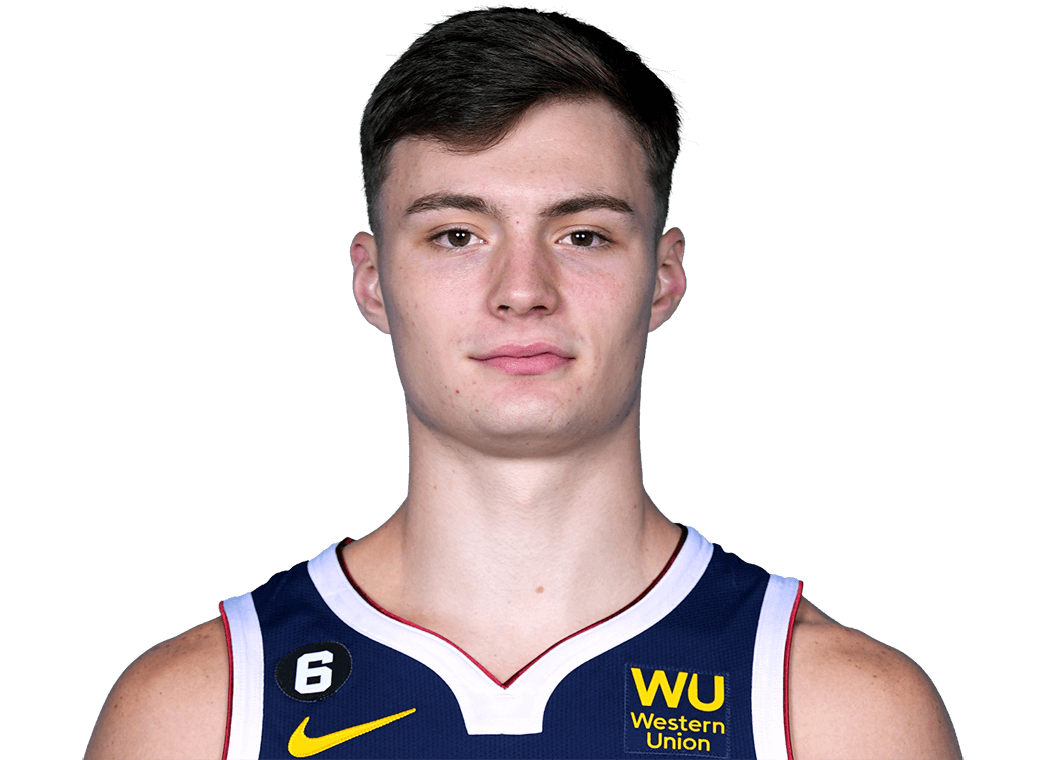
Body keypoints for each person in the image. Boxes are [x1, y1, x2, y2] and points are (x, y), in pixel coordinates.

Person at [85, 7, 961, 759]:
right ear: (372, 280)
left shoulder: (839, 712)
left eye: (582, 235)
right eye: (456, 235)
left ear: (663, 277)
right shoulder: (200, 712)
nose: (521, 290)